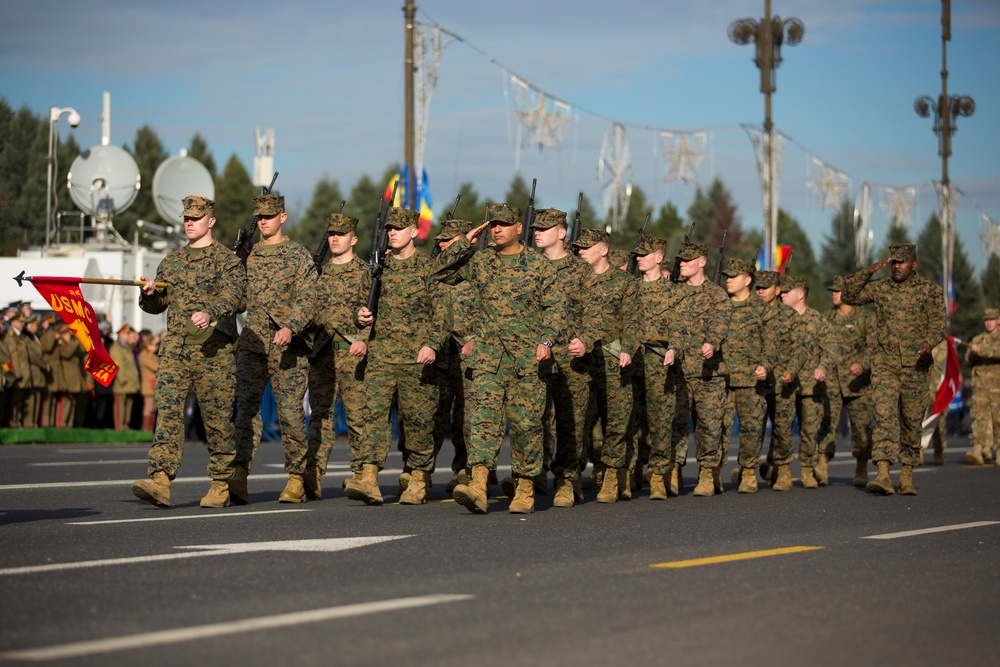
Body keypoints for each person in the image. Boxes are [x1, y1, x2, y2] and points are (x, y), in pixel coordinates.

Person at [434, 202, 565, 514]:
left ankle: (524, 487)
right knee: (483, 423)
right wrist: (466, 240)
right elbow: (440, 271)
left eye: (504, 224)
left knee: (526, 425)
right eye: (493, 224)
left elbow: (556, 308)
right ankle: (478, 485)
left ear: (519, 228)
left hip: (527, 361)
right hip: (489, 358)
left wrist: (547, 340)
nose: (496, 229)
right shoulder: (482, 262)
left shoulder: (537, 265)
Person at [132, 195, 246, 508]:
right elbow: (157, 307)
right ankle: (161, 481)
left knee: (217, 419)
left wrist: (210, 312)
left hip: (214, 352)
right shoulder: (171, 262)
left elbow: (233, 297)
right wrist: (149, 294)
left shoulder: (228, 261)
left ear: (211, 221)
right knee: (168, 414)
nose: (189, 224)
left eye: (196, 218)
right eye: (186, 219)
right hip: (176, 352)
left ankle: (221, 483)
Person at [348, 207, 447, 506]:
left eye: (399, 229)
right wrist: (361, 317)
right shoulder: (378, 268)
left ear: (414, 232)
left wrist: (431, 344)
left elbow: (443, 316)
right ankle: (368, 477)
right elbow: (361, 307)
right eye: (389, 229)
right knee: (373, 418)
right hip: (381, 356)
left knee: (418, 422)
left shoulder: (430, 269)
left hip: (417, 360)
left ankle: (417, 478)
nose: (392, 233)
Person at [841, 243, 946, 495]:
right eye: (894, 262)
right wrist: (867, 272)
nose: (896, 266)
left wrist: (929, 342)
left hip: (916, 366)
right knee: (885, 417)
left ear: (914, 264)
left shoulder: (929, 289)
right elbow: (848, 295)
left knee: (911, 421)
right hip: (885, 363)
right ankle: (884, 474)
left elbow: (938, 322)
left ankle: (907, 474)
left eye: (902, 262)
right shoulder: (881, 288)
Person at [232, 193, 317, 503]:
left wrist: (291, 326)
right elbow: (237, 298)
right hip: (253, 342)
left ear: (283, 217)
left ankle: (296, 476)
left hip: (288, 347)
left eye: (270, 215)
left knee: (291, 414)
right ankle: (238, 473)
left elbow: (308, 298)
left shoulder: (299, 256)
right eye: (260, 217)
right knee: (246, 411)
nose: (264, 220)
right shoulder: (248, 255)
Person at [527, 208, 596, 507]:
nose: (537, 232)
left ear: (562, 232)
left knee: (571, 424)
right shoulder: (527, 267)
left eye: (544, 228)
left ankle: (567, 479)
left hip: (570, 360)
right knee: (531, 420)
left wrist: (586, 340)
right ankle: (531, 476)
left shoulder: (581, 272)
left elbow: (595, 315)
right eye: (535, 228)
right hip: (535, 358)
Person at [303, 212, 371, 499]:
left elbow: (376, 313)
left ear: (353, 239)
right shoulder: (317, 272)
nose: (334, 239)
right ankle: (314, 472)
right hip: (323, 354)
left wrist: (365, 340)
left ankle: (362, 475)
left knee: (358, 417)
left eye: (340, 235)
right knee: (320, 415)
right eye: (331, 234)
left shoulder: (366, 272)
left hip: (352, 352)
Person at [573, 226, 638, 502]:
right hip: (582, 362)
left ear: (603, 249)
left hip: (613, 362)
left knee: (616, 421)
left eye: (587, 247)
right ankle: (572, 476)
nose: (581, 252)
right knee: (579, 422)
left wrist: (628, 349)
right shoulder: (576, 280)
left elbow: (634, 322)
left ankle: (612, 477)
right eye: (579, 247)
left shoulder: (625, 283)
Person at [672, 241, 732, 497]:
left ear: (702, 262)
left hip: (709, 374)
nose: (682, 264)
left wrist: (712, 343)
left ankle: (707, 472)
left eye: (688, 260)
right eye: (681, 260)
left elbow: (719, 325)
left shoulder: (717, 296)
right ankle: (672, 470)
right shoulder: (673, 293)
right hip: (678, 372)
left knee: (708, 425)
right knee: (676, 424)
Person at [632, 234, 686, 499]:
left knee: (660, 423)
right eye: (637, 254)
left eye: (644, 254)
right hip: (631, 361)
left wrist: (674, 348)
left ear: (659, 257)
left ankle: (658, 475)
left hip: (659, 363)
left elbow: (680, 327)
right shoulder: (630, 289)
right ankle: (627, 473)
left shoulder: (674, 293)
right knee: (629, 420)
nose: (639, 258)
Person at [721, 258, 775, 493]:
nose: (728, 280)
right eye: (727, 276)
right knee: (716, 429)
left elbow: (772, 344)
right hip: (721, 379)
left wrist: (765, 365)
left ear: (748, 280)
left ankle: (749, 472)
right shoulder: (719, 306)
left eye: (734, 276)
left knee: (751, 429)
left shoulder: (763, 310)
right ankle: (711, 473)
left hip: (750, 380)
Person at [779, 275, 834, 489]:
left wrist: (823, 367)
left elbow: (830, 348)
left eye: (787, 291)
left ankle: (807, 470)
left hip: (811, 386)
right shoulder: (780, 319)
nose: (782, 294)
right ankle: (782, 470)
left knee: (809, 430)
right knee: (782, 429)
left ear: (800, 294)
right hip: (786, 385)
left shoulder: (818, 320)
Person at [820, 275, 875, 485]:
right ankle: (822, 464)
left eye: (838, 291)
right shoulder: (826, 318)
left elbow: (873, 347)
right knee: (827, 424)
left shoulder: (865, 318)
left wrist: (863, 364)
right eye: (832, 291)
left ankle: (861, 467)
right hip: (831, 382)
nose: (833, 294)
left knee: (862, 427)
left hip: (858, 384)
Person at [755, 271, 801, 491]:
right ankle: (749, 471)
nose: (760, 291)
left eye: (765, 287)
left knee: (782, 429)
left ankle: (783, 471)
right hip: (755, 383)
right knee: (753, 429)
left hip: (782, 383)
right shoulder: (751, 312)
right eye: (758, 287)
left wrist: (791, 371)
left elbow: (801, 349)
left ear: (778, 290)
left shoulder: (790, 317)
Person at [965, 307, 1000, 465]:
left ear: (998, 320)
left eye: (991, 319)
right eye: (986, 320)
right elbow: (968, 360)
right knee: (978, 418)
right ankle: (977, 450)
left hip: (997, 387)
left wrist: (981, 350)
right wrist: (972, 352)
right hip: (980, 387)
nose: (988, 323)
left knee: (998, 420)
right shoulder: (977, 339)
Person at [56, 321, 89, 428]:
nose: (70, 337)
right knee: (64, 403)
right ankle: (61, 424)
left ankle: (68, 425)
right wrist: (74, 343)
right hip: (65, 377)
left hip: (74, 378)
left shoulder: (71, 344)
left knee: (72, 403)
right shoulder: (61, 343)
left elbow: (82, 352)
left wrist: (81, 340)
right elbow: (66, 354)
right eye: (68, 334)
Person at [110, 325, 140, 430]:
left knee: (128, 405)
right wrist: (122, 379)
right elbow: (118, 366)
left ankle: (126, 425)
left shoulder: (128, 348)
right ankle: (119, 426)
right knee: (120, 406)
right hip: (122, 383)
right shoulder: (116, 349)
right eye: (126, 334)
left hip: (131, 382)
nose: (128, 337)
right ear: (121, 335)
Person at [137, 333, 160, 433]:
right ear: (147, 345)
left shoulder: (152, 356)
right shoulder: (144, 356)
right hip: (148, 385)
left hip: (154, 385)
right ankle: (146, 429)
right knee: (148, 408)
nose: (156, 347)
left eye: (156, 345)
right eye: (153, 345)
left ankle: (150, 430)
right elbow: (156, 367)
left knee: (153, 408)